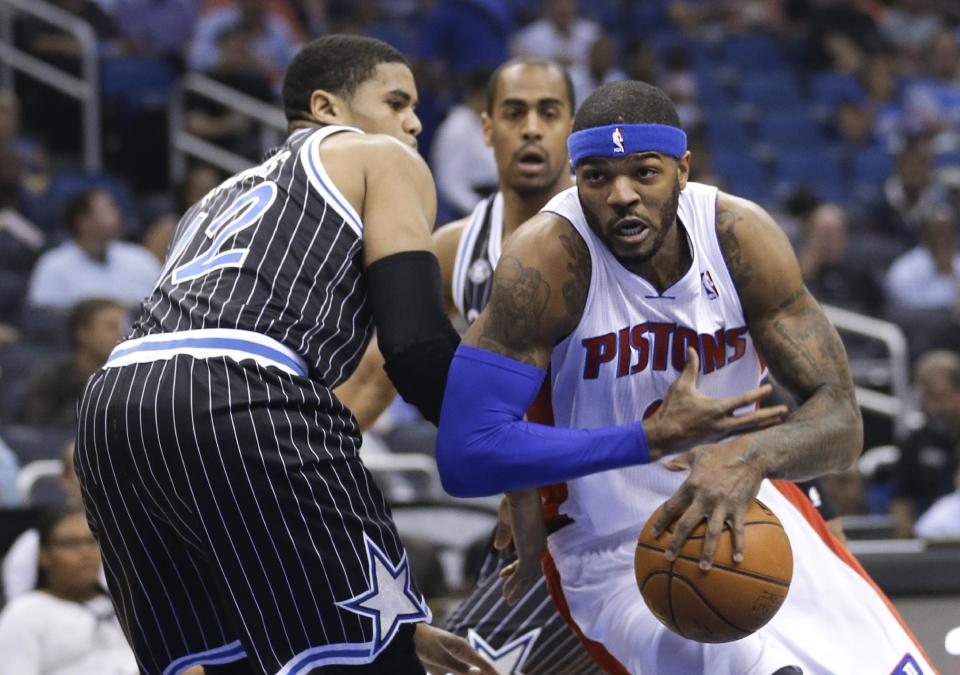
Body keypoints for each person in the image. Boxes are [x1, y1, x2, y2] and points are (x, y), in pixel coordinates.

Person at [435, 80, 934, 673]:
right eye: (596, 177)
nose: (621, 195)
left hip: (754, 504)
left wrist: (750, 456)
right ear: (576, 180)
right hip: (616, 546)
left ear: (682, 170)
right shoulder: (546, 260)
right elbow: (464, 454)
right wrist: (647, 441)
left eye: (644, 173)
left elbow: (842, 422)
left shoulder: (739, 236)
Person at [75, 35, 496, 675]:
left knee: (228, 661)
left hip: (111, 415)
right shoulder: (379, 157)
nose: (414, 121)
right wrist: (509, 441)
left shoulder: (209, 202)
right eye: (396, 100)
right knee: (371, 661)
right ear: (326, 107)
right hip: (237, 392)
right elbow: (414, 344)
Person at [0, 507, 138, 675]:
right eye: (71, 544)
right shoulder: (24, 614)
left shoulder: (126, 603)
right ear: (44, 554)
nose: (85, 552)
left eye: (91, 541)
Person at [27, 189, 160, 309]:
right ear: (83, 222)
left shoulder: (140, 258)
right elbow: (43, 317)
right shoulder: (53, 265)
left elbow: (164, 306)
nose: (117, 214)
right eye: (108, 209)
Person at [17, 298, 127, 426]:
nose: (122, 334)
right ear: (82, 334)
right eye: (111, 327)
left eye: (123, 327)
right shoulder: (51, 377)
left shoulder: (130, 380)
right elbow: (37, 427)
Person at [889, 349, 960, 537]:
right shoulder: (914, 442)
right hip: (929, 541)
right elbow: (901, 501)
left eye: (940, 397)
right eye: (926, 398)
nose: (933, 407)